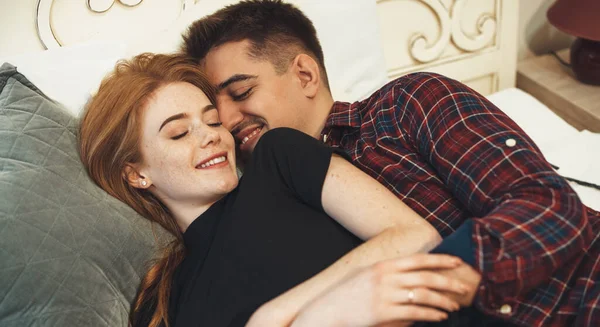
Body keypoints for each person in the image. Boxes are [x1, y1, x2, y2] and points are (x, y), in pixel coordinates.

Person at [180, 1, 600, 326]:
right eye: (216, 113)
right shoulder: (265, 207)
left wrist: (429, 285)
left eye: (240, 92)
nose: (229, 122)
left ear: (305, 75)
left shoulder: (405, 105)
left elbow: (547, 207)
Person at [78, 53, 473, 327]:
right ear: (136, 174)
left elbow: (415, 237)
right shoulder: (161, 304)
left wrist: (279, 316)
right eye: (179, 133)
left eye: (213, 121)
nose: (212, 137)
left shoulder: (277, 159)